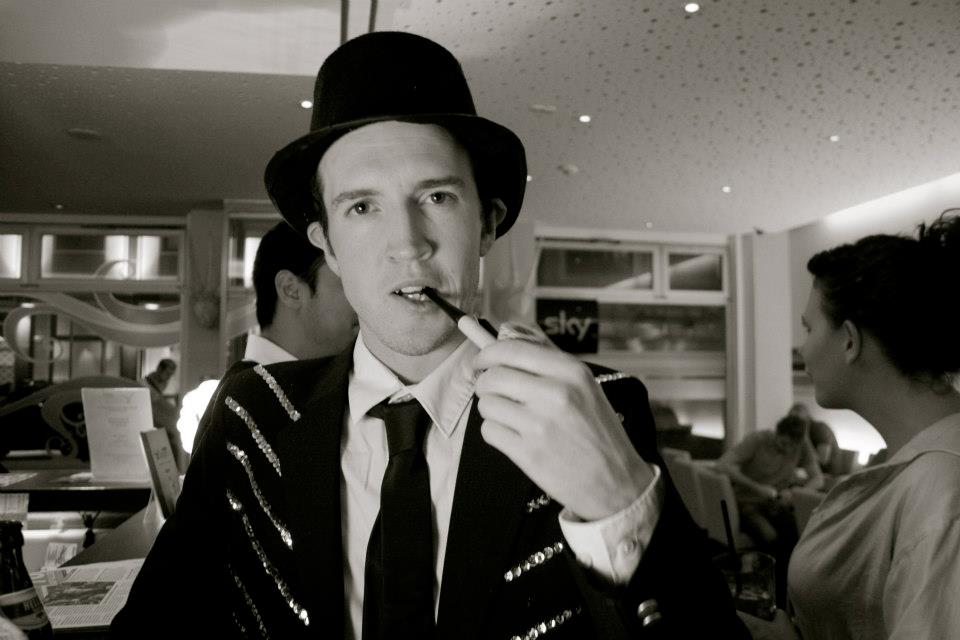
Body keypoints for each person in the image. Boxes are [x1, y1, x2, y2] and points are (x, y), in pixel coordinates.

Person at [112, 32, 746, 639]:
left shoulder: (597, 404)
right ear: (327, 246)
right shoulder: (252, 413)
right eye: (362, 208)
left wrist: (621, 503)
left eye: (437, 197)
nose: (408, 246)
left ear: (488, 226)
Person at [741, 210, 960, 639]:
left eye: (808, 327)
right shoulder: (921, 465)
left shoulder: (942, 492)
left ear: (848, 340)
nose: (802, 348)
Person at [176, 221, 358, 454]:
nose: (364, 301)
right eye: (347, 283)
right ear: (290, 290)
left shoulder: (340, 385)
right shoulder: (236, 406)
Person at [716, 414, 823, 605]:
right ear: (777, 433)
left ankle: (795, 594)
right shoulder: (757, 440)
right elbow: (723, 464)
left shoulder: (801, 445)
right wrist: (756, 487)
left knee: (801, 534)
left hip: (776, 503)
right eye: (784, 443)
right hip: (747, 502)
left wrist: (796, 493)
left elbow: (818, 479)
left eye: (793, 446)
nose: (788, 449)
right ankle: (776, 595)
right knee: (770, 537)